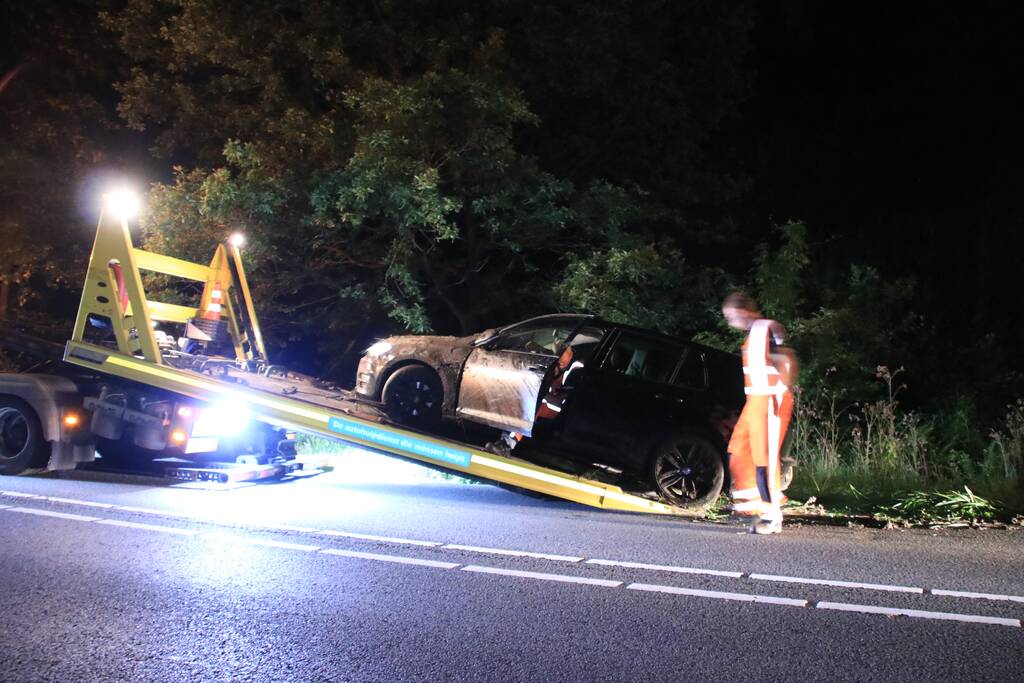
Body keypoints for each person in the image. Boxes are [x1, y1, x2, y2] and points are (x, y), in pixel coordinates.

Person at [722, 292, 798, 535]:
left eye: (730, 316)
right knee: (739, 450)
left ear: (743, 311)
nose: (729, 322)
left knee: (763, 460)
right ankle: (755, 506)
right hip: (757, 400)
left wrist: (778, 393)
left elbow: (785, 361)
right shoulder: (754, 334)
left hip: (769, 400)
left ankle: (771, 516)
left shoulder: (765, 329)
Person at [487, 343, 584, 455]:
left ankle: (506, 444)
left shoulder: (577, 366)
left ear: (570, 351)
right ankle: (503, 439)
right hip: (550, 400)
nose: (559, 360)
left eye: (562, 354)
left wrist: (552, 386)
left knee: (530, 407)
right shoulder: (559, 365)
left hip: (558, 406)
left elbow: (566, 390)